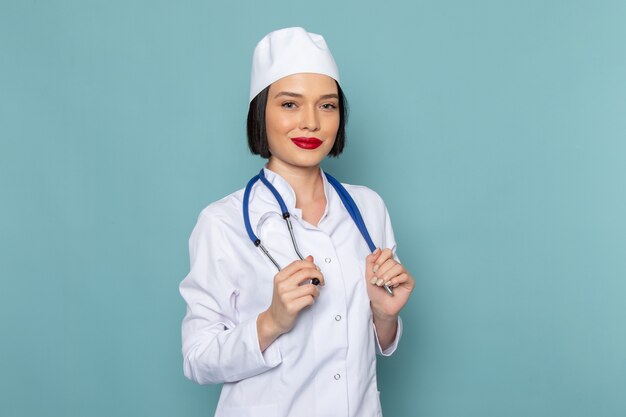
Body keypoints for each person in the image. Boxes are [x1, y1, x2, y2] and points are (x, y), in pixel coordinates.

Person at [179, 27, 415, 417]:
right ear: (261, 111)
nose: (311, 123)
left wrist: (385, 316)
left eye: (327, 105)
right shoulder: (223, 223)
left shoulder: (368, 209)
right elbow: (197, 359)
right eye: (290, 104)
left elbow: (369, 343)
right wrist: (271, 321)